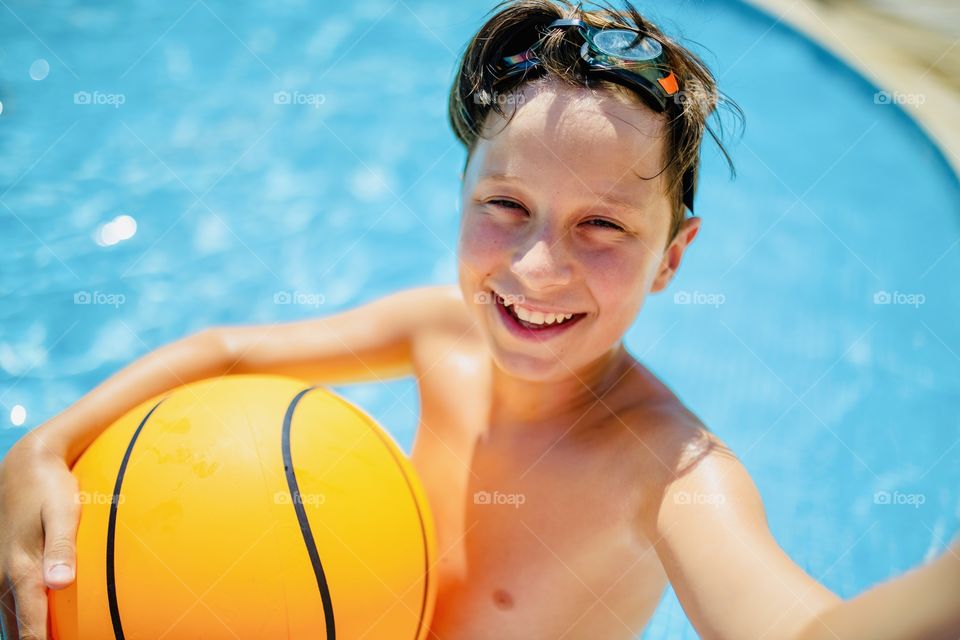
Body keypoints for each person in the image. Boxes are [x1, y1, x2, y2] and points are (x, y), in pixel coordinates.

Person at [2, 1, 958, 638]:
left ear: (674, 258)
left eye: (603, 226)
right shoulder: (440, 332)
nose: (539, 265)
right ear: (460, 195)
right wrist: (41, 447)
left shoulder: (663, 470)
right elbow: (230, 351)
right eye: (506, 206)